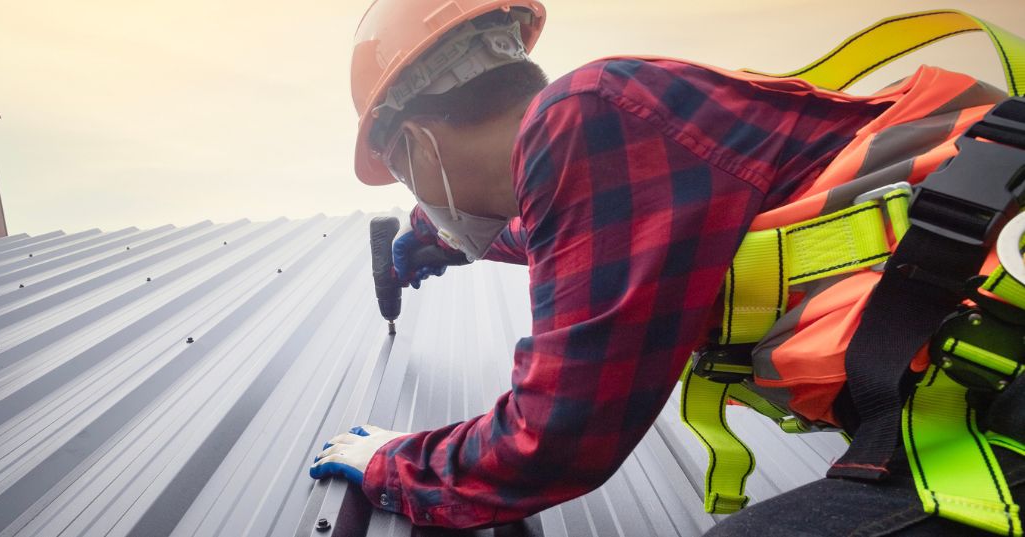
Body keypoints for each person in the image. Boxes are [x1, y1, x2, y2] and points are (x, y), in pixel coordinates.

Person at [310, 1, 1025, 534]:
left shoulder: (581, 118)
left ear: (410, 144)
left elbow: (551, 441)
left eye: (406, 179)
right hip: (978, 381)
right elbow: (583, 242)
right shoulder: (608, 132)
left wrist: (388, 462)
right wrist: (439, 241)